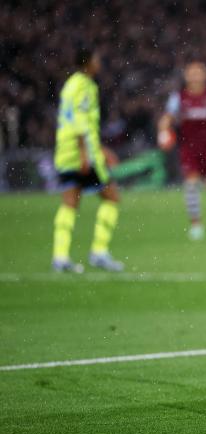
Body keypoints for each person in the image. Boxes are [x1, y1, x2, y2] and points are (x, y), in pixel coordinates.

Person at [52, 47, 124, 273]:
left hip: (65, 149)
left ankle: (60, 256)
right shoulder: (85, 86)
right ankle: (99, 252)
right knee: (111, 197)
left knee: (70, 202)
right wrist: (86, 153)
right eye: (96, 59)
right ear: (87, 63)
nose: (99, 62)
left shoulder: (70, 84)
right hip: (80, 151)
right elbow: (81, 121)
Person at [158, 60, 206, 240]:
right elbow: (166, 118)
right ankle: (196, 224)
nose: (195, 76)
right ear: (186, 76)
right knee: (191, 185)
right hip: (189, 148)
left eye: (199, 72)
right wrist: (162, 131)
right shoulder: (178, 97)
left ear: (205, 75)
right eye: (192, 72)